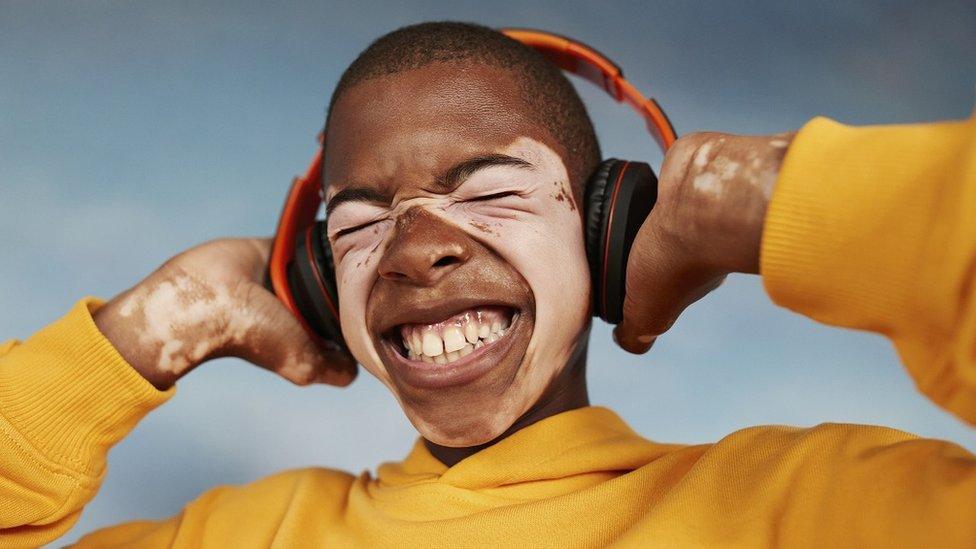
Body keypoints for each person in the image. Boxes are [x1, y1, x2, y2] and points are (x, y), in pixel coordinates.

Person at [1, 21, 974, 548]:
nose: (414, 250)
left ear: (608, 228)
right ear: (309, 278)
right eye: (360, 221)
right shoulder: (242, 535)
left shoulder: (815, 506)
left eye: (493, 193)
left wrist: (758, 201)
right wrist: (144, 327)